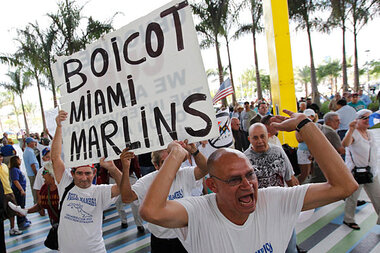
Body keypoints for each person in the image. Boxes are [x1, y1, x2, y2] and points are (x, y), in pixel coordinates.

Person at [139, 110, 358, 253]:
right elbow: (152, 212)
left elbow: (345, 187)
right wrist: (176, 156)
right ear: (212, 186)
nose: (247, 184)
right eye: (234, 179)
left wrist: (305, 125)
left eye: (250, 174)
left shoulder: (273, 199)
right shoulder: (198, 212)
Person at [52, 110, 122, 252]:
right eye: (79, 173)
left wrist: (113, 169)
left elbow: (123, 187)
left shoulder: (100, 191)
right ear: (72, 173)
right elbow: (55, 157)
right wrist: (59, 127)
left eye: (88, 173)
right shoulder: (65, 183)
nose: (84, 178)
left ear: (94, 173)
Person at [120, 141, 207, 253]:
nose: (172, 165)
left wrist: (194, 151)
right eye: (165, 162)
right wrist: (126, 168)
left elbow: (205, 169)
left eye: (174, 160)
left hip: (186, 238)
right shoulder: (147, 181)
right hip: (161, 242)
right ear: (156, 166)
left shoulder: (184, 174)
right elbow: (127, 198)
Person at [244, 123, 299, 253]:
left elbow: (290, 178)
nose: (260, 141)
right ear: (249, 139)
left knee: (290, 248)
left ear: (268, 136)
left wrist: (295, 202)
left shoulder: (279, 151)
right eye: (255, 138)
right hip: (260, 214)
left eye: (262, 136)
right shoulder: (244, 159)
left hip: (283, 208)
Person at [342, 109, 380, 230]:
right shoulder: (353, 133)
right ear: (357, 120)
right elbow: (345, 144)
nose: (367, 120)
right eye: (364, 118)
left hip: (371, 172)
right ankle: (349, 219)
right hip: (355, 173)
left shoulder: (370, 133)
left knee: (378, 197)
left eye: (370, 117)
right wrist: (351, 129)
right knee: (352, 198)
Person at [310, 112, 345, 183]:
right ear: (328, 122)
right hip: (328, 164)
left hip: (319, 163)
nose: (339, 122)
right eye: (337, 120)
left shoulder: (321, 128)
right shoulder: (331, 133)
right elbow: (341, 150)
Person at [0, 153, 23, 235]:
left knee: (12, 211)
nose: (0, 158)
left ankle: (12, 228)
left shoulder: (5, 166)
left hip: (9, 191)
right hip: (1, 194)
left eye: (1, 157)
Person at [9, 156, 31, 230]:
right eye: (19, 159)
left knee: (22, 205)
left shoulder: (16, 169)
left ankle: (24, 219)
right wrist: (21, 190)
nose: (20, 160)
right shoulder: (14, 170)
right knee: (20, 206)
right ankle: (21, 222)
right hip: (18, 191)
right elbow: (15, 181)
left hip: (20, 190)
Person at [296, 109, 317, 184]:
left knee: (312, 173)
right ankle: (294, 186)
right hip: (303, 151)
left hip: (312, 151)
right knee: (305, 173)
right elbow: (299, 139)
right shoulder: (298, 126)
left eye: (310, 117)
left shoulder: (316, 125)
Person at [23, 137, 40, 205]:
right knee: (35, 189)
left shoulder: (27, 150)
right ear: (30, 143)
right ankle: (37, 204)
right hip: (33, 174)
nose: (34, 143)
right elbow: (32, 164)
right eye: (33, 142)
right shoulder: (29, 152)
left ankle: (36, 203)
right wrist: (36, 174)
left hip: (31, 173)